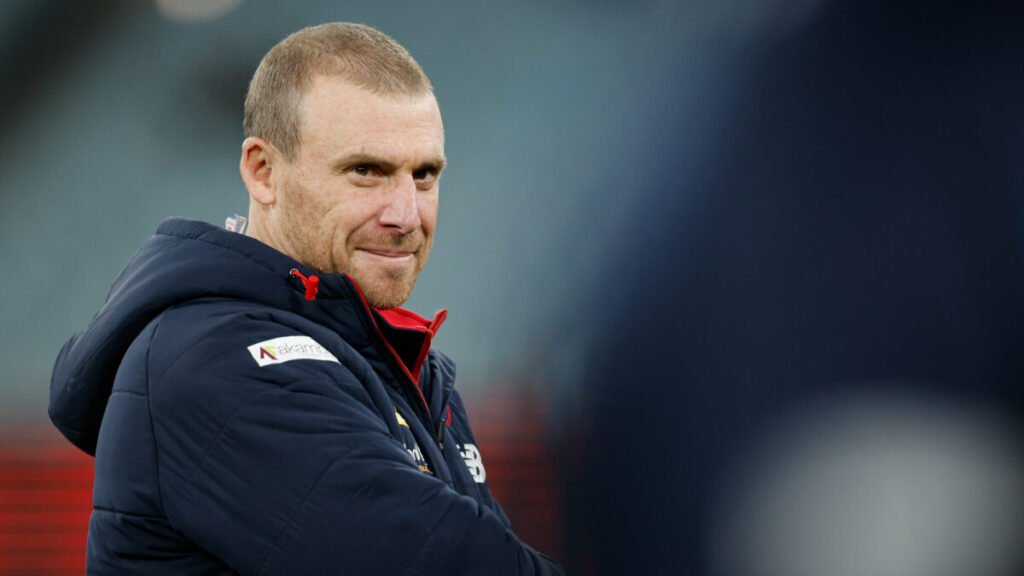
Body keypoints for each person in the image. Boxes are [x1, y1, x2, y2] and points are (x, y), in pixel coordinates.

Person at [49, 22, 563, 575]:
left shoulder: (402, 363)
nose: (406, 215)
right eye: (366, 171)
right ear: (263, 172)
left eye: (424, 174)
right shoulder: (214, 362)